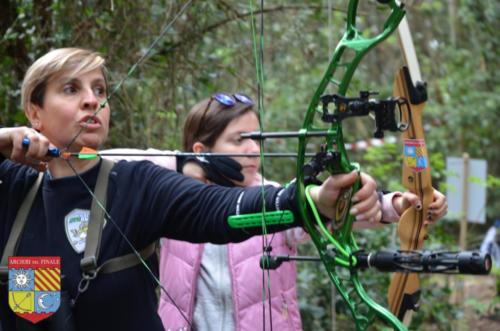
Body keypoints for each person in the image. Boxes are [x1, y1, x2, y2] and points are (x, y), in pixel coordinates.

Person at [0, 48, 382, 331]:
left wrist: (313, 199)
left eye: (99, 89)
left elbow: (223, 209)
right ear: (34, 112)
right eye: (71, 89)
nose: (93, 100)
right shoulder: (13, 188)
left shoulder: (137, 184)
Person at [106, 93, 447, 330]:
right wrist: (188, 165)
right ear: (202, 150)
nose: (253, 149)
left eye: (256, 139)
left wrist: (401, 205)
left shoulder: (278, 199)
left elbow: (332, 210)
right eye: (239, 140)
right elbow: (113, 161)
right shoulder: (170, 202)